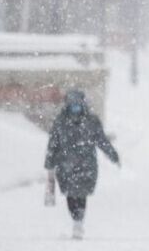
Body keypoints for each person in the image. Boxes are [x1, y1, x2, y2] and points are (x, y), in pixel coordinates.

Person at [44, 90, 120, 240]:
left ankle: (78, 222)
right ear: (67, 105)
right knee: (70, 195)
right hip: (66, 165)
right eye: (72, 105)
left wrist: (112, 154)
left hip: (86, 165)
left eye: (77, 105)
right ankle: (76, 220)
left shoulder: (91, 122)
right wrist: (50, 162)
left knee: (81, 194)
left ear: (83, 104)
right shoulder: (60, 122)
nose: (75, 108)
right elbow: (53, 144)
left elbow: (101, 140)